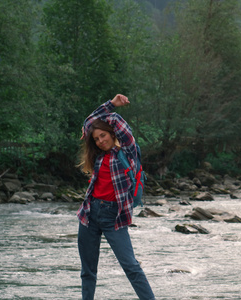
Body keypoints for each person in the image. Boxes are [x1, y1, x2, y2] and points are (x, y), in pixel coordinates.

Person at [77, 94, 155, 300]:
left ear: (112, 134)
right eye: (96, 139)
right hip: (89, 214)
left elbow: (116, 122)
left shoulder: (127, 152)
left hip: (114, 216)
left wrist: (112, 107)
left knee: (131, 267)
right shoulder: (98, 156)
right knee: (88, 272)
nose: (101, 141)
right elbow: (88, 123)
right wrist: (109, 105)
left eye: (103, 135)